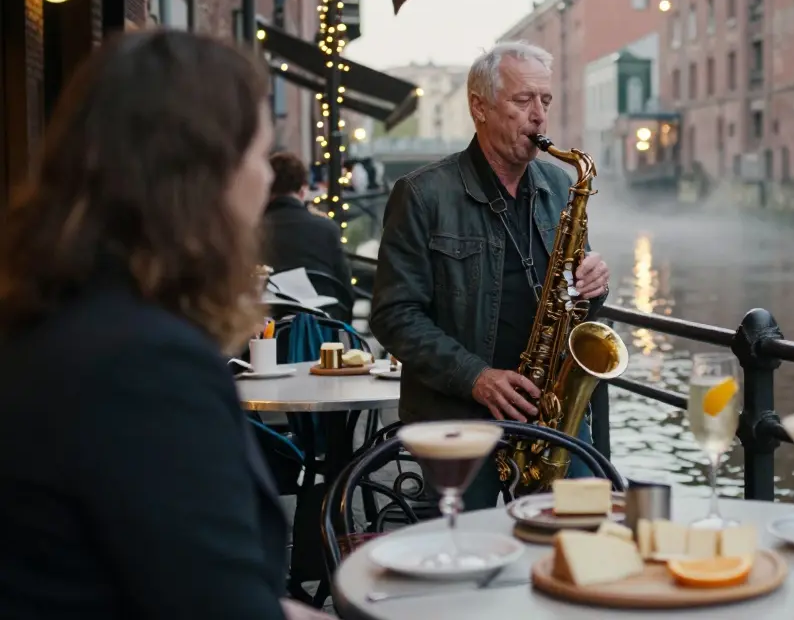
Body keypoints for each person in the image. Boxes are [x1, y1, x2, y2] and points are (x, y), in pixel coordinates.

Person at [0, 31, 327, 620]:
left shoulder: (53, 317)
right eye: (258, 155)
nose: (264, 178)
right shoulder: (144, 364)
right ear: (206, 177)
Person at [370, 40, 610, 510]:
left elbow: (572, 305)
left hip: (552, 414)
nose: (539, 116)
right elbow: (393, 315)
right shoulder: (421, 194)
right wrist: (476, 377)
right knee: (467, 557)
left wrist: (592, 286)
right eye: (523, 101)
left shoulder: (561, 185)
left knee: (578, 539)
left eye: (545, 101)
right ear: (479, 107)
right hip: (459, 417)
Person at [261, 151, 353, 319]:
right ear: (303, 190)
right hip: (322, 325)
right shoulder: (327, 228)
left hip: (268, 329)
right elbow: (345, 289)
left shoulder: (254, 229)